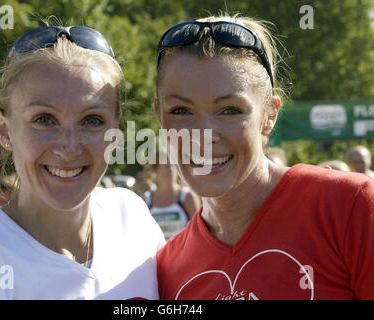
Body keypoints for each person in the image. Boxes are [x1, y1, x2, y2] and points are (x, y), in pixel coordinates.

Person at [154, 14, 374, 299]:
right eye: (181, 111)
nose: (204, 136)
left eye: (230, 110)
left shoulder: (350, 207)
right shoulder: (166, 268)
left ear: (270, 115)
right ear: (159, 116)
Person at [0, 25, 165, 299]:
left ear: (114, 131)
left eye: (92, 120)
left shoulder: (132, 218)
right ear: (5, 130)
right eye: (44, 120)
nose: (69, 148)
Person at [145, 154, 200, 240]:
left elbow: (199, 231)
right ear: (156, 171)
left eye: (173, 165)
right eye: (167, 166)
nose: (171, 169)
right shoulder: (147, 199)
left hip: (182, 252)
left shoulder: (187, 197)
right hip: (157, 253)